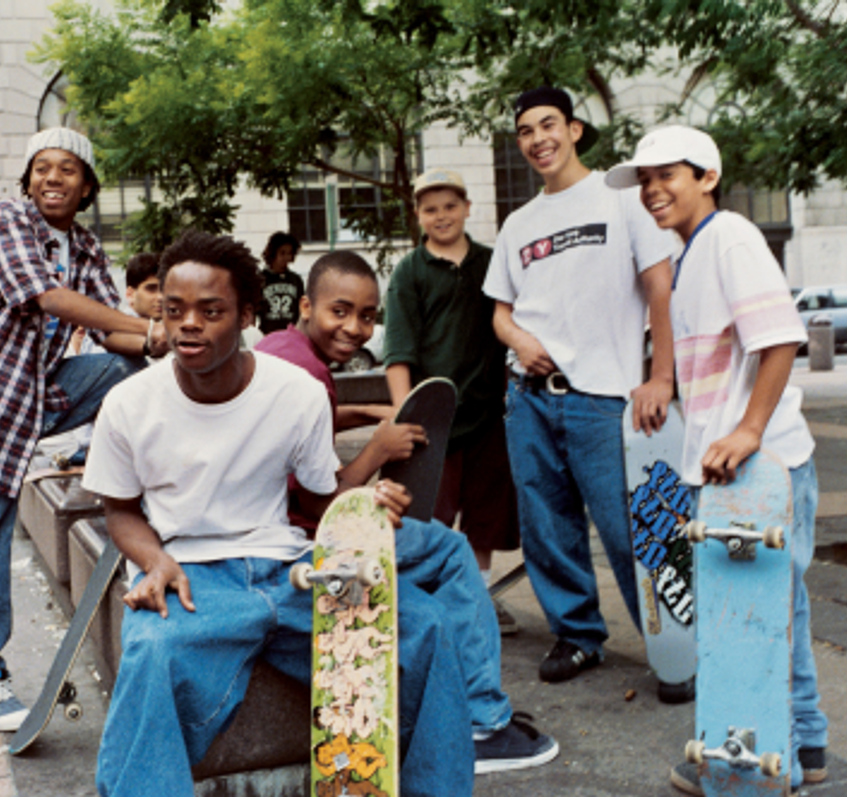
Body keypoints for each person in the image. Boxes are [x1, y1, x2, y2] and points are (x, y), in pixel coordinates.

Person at [83, 230, 474, 797]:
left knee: (426, 625)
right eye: (173, 310)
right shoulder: (128, 403)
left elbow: (317, 499)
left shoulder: (296, 392)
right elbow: (120, 511)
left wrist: (365, 508)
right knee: (150, 651)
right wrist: (153, 560)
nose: (188, 324)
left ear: (246, 315)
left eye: (210, 311)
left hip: (291, 568)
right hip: (194, 575)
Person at [256, 249, 559, 773]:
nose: (354, 328)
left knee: (429, 570)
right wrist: (378, 450)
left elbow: (311, 422)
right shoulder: (309, 376)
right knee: (451, 550)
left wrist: (364, 411)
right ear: (306, 305)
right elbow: (324, 503)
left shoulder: (278, 349)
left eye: (367, 316)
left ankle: (442, 704)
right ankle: (482, 722)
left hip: (267, 525)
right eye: (339, 311)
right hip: (304, 539)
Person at [0, 127, 166, 732]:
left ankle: (131, 466)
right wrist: (149, 327)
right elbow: (47, 297)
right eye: (42, 168)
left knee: (129, 370)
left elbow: (110, 332)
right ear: (27, 182)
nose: (52, 178)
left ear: (87, 187)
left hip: (28, 401)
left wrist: (166, 344)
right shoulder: (8, 220)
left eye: (68, 169)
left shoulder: (84, 247)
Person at [604, 124, 829, 795]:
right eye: (644, 180)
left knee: (759, 617)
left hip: (761, 467)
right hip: (729, 471)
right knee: (771, 612)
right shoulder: (689, 253)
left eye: (666, 175)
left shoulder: (729, 235)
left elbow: (780, 338)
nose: (652, 190)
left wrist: (749, 430)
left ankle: (771, 756)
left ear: (707, 177)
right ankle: (802, 744)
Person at [482, 86, 680, 690]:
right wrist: (520, 341)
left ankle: (674, 647)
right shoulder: (519, 223)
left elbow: (660, 288)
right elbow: (500, 313)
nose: (537, 139)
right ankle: (578, 636)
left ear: (573, 130)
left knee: (631, 528)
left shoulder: (621, 199)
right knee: (547, 526)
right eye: (525, 131)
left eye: (548, 125)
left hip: (605, 398)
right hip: (530, 399)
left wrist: (661, 376)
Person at [383, 167, 522, 635]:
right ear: (417, 215)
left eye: (449, 206)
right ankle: (425, 599)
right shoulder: (410, 271)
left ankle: (477, 595)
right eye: (430, 209)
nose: (441, 216)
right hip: (434, 420)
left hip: (487, 413)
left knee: (485, 515)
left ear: (466, 208)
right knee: (429, 514)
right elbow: (399, 350)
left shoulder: (491, 262)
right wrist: (406, 414)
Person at [256, 230, 304, 334]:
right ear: (273, 253)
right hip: (268, 334)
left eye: (289, 253)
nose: (286, 258)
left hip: (291, 334)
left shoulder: (296, 280)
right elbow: (254, 310)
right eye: (282, 253)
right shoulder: (260, 279)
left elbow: (301, 310)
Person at [124, 251, 163, 320]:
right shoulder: (121, 325)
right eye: (151, 289)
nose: (161, 297)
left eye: (165, 289)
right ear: (130, 295)